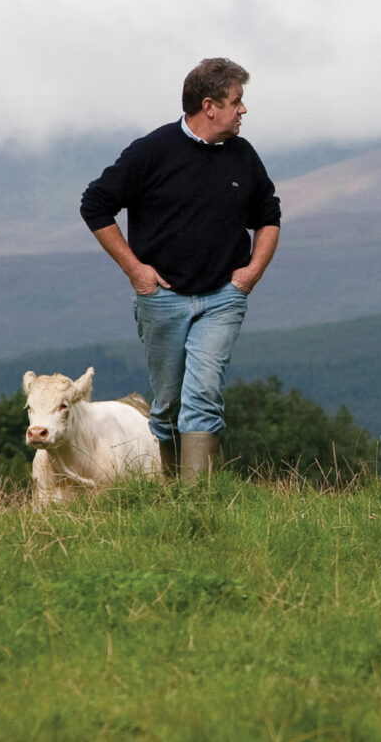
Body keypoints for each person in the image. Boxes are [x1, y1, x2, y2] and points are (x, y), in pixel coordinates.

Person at [79, 57, 283, 477]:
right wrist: (136, 271)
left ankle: (199, 502)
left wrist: (250, 274)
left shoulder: (243, 156)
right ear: (209, 106)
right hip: (162, 300)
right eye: (237, 101)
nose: (243, 110)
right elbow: (95, 205)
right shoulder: (152, 151)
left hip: (223, 299)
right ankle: (171, 494)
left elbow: (269, 216)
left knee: (204, 394)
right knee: (169, 404)